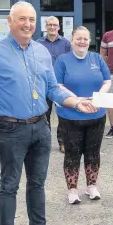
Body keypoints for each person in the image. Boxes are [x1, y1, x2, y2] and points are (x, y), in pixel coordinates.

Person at [0, 2, 97, 225]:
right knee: (9, 185)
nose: (27, 24)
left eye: (31, 19)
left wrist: (76, 101)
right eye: (22, 19)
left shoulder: (41, 52)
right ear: (10, 21)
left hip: (41, 126)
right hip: (10, 128)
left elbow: (53, 87)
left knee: (38, 182)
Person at [54, 26, 111, 204]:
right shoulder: (62, 61)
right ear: (71, 40)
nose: (82, 42)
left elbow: (107, 81)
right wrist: (76, 100)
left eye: (85, 38)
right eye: (78, 38)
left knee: (93, 152)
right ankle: (72, 190)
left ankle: (92, 187)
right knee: (72, 153)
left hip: (96, 113)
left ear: (89, 41)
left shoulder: (96, 58)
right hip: (70, 114)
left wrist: (97, 99)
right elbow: (57, 85)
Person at [37, 16, 71, 153]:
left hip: (60, 85)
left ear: (59, 27)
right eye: (49, 25)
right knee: (44, 116)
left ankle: (62, 142)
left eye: (55, 25)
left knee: (62, 115)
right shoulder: (38, 43)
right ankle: (45, 142)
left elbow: (70, 62)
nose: (52, 27)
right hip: (43, 85)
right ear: (46, 26)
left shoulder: (66, 44)